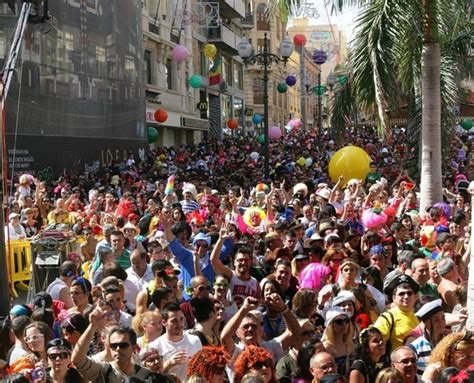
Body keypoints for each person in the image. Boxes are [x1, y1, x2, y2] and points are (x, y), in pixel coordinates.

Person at [71, 307, 152, 382]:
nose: (118, 349)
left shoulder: (146, 375)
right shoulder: (104, 371)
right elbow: (77, 360)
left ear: (134, 348)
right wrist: (92, 326)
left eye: (123, 345)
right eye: (113, 346)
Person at [148, 303, 202, 381]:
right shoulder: (155, 346)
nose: (179, 324)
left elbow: (203, 371)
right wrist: (168, 363)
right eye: (174, 321)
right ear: (164, 322)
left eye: (181, 319)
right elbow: (153, 377)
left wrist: (194, 364)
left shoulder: (195, 340)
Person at [211, 227, 261, 308]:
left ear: (251, 262)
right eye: (240, 260)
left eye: (246, 260)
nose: (243, 263)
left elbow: (259, 304)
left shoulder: (255, 283)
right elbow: (214, 260)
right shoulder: (230, 275)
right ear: (234, 262)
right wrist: (221, 239)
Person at [374, 275, 420, 351]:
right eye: (402, 294)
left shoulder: (418, 318)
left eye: (409, 293)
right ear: (394, 298)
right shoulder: (388, 317)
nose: (406, 297)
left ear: (415, 297)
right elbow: (374, 339)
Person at [408, 299, 446, 379]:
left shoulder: (450, 341)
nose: (442, 323)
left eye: (443, 318)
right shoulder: (416, 346)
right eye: (436, 320)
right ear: (425, 322)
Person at [322, 307, 355, 376]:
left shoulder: (349, 343)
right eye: (339, 322)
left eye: (346, 321)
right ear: (331, 326)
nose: (344, 324)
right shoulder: (325, 347)